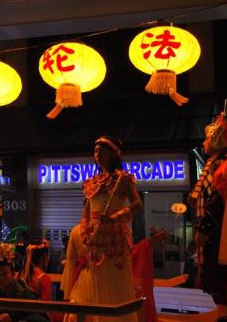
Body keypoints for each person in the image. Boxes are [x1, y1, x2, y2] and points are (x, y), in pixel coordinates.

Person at [70, 135, 142, 322]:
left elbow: (137, 205)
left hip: (115, 236)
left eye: (102, 150)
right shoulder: (92, 182)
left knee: (115, 281)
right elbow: (86, 211)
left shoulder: (123, 179)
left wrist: (114, 218)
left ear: (113, 153)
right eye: (95, 150)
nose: (97, 154)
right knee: (95, 280)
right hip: (94, 238)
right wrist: (84, 231)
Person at [187, 110, 227, 322]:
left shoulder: (221, 165)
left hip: (218, 235)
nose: (205, 142)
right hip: (220, 233)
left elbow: (216, 201)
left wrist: (203, 229)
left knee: (220, 283)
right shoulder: (222, 163)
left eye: (208, 138)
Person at [0, 243, 49, 322]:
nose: (1, 278)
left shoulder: (24, 293)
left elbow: (39, 316)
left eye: (5, 274)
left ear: (13, 274)